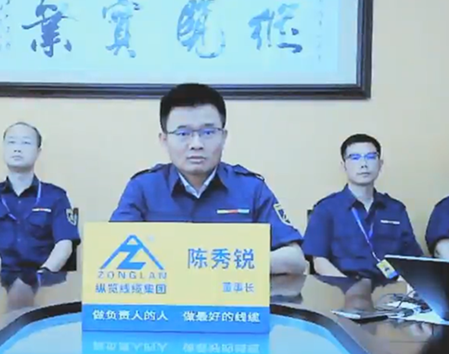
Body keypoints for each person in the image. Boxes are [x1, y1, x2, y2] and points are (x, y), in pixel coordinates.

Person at [110, 83, 305, 274]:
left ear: (224, 137)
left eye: (208, 132)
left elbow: (295, 259)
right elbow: (112, 252)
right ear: (164, 140)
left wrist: (227, 263)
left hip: (232, 294)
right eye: (183, 133)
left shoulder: (251, 188)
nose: (196, 144)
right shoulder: (143, 188)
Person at [304, 134, 423, 281]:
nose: (364, 164)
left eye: (371, 157)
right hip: (343, 288)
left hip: (392, 289)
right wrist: (349, 287)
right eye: (355, 158)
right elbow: (319, 262)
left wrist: (403, 285)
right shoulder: (326, 209)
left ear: (380, 164)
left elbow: (413, 259)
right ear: (343, 166)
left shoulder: (395, 209)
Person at [0, 122, 81, 272]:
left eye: (26, 143)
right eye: (11, 142)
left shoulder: (56, 197)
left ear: (38, 152)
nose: (17, 148)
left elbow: (64, 244)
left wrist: (44, 274)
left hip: (43, 278)